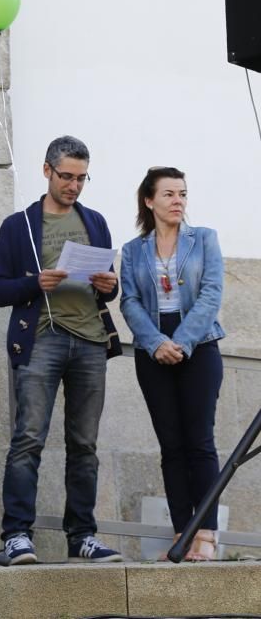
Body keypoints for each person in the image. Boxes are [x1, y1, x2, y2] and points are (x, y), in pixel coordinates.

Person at [0, 135, 124, 565]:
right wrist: (36, 282)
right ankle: (16, 534)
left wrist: (110, 285)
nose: (74, 185)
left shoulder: (96, 221)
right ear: (46, 170)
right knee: (28, 438)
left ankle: (82, 535)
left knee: (84, 444)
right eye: (66, 176)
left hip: (89, 341)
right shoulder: (20, 225)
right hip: (41, 338)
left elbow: (109, 283)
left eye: (82, 178)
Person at [120, 166, 225, 561]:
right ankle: (182, 534)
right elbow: (128, 300)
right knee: (172, 446)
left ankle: (207, 536)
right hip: (153, 348)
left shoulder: (205, 240)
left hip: (199, 345)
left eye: (182, 193)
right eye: (168, 194)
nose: (178, 200)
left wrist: (180, 342)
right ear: (149, 200)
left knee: (200, 442)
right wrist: (154, 342)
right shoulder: (133, 250)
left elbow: (212, 294)